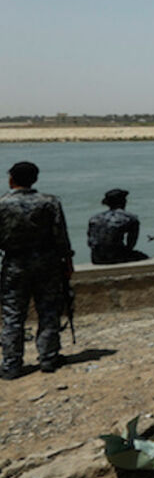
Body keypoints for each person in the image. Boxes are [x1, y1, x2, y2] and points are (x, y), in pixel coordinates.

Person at [0, 161, 74, 379]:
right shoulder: (50, 202)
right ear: (35, 179)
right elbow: (61, 235)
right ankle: (48, 357)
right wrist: (67, 263)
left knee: (13, 315)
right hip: (48, 263)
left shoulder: (2, 204)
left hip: (15, 264)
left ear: (11, 179)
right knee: (49, 310)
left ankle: (12, 364)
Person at [87, 188, 148, 265]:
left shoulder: (94, 218)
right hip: (116, 257)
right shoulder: (130, 218)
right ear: (124, 202)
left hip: (96, 258)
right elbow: (131, 244)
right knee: (143, 257)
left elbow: (91, 239)